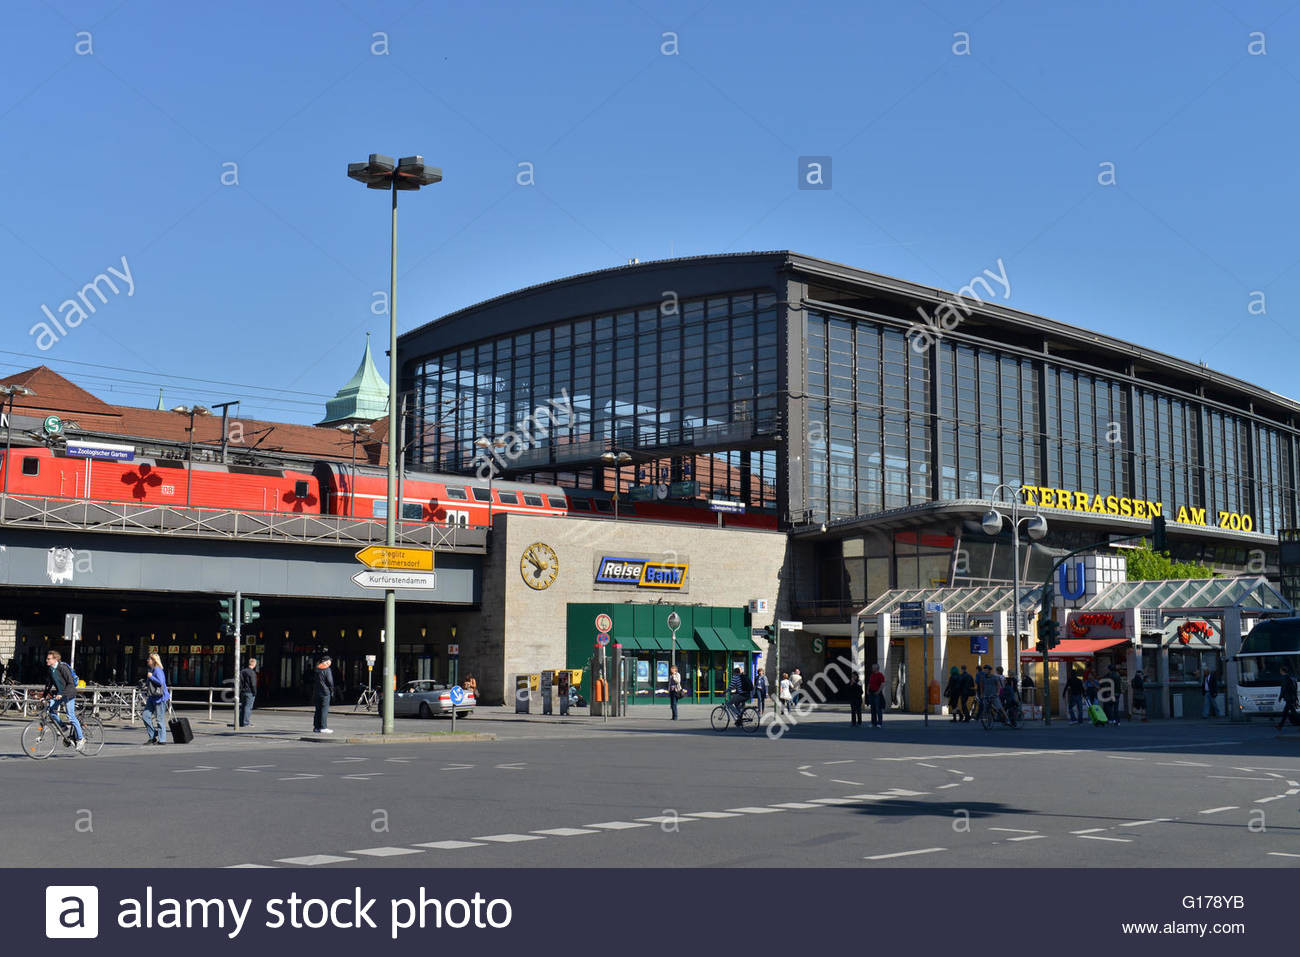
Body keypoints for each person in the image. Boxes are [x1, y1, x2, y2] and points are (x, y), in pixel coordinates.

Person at [43, 650, 84, 752]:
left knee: (71, 716)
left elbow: (70, 683)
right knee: (50, 710)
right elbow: (49, 684)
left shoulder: (63, 668)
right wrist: (43, 696)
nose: (46, 660)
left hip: (69, 693)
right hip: (59, 694)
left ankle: (81, 738)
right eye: (47, 658)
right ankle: (63, 726)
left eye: (49, 659)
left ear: (55, 659)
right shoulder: (50, 669)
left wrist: (62, 693)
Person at [142, 652, 170, 744]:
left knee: (159, 719)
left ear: (154, 661)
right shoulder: (151, 669)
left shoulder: (158, 670)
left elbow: (161, 682)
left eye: (149, 659)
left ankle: (162, 740)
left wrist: (151, 677)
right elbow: (149, 684)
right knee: (145, 716)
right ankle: (153, 735)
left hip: (160, 698)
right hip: (152, 697)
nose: (147, 660)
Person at [313, 654, 335, 734]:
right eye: (329, 661)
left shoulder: (317, 669)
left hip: (317, 691)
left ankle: (316, 727)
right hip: (325, 692)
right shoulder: (327, 669)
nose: (330, 662)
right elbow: (330, 681)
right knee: (324, 709)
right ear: (326, 661)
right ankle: (323, 727)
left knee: (318, 709)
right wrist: (332, 690)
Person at [1276, 664, 1299, 732]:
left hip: (1289, 698)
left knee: (1294, 713)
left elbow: (1283, 689)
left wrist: (1280, 697)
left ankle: (1280, 725)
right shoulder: (1292, 678)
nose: (1280, 672)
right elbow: (1295, 689)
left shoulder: (1285, 679)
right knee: (1285, 713)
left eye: (1280, 670)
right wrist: (1295, 698)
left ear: (1282, 671)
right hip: (1291, 698)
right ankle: (1280, 725)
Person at [239, 656, 257, 728]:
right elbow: (253, 683)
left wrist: (241, 689)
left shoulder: (242, 671)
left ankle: (240, 722)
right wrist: (254, 692)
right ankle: (246, 722)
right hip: (250, 692)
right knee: (248, 707)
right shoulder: (252, 673)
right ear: (254, 664)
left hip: (243, 691)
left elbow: (239, 681)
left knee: (242, 707)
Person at [867, 662, 886, 727]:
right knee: (872, 709)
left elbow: (882, 684)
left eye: (873, 668)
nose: (872, 669)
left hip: (877, 693)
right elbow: (869, 683)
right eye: (872, 668)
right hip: (871, 693)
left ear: (876, 668)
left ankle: (879, 723)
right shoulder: (872, 675)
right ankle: (873, 723)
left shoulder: (880, 675)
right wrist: (867, 690)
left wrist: (878, 691)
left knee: (878, 709)